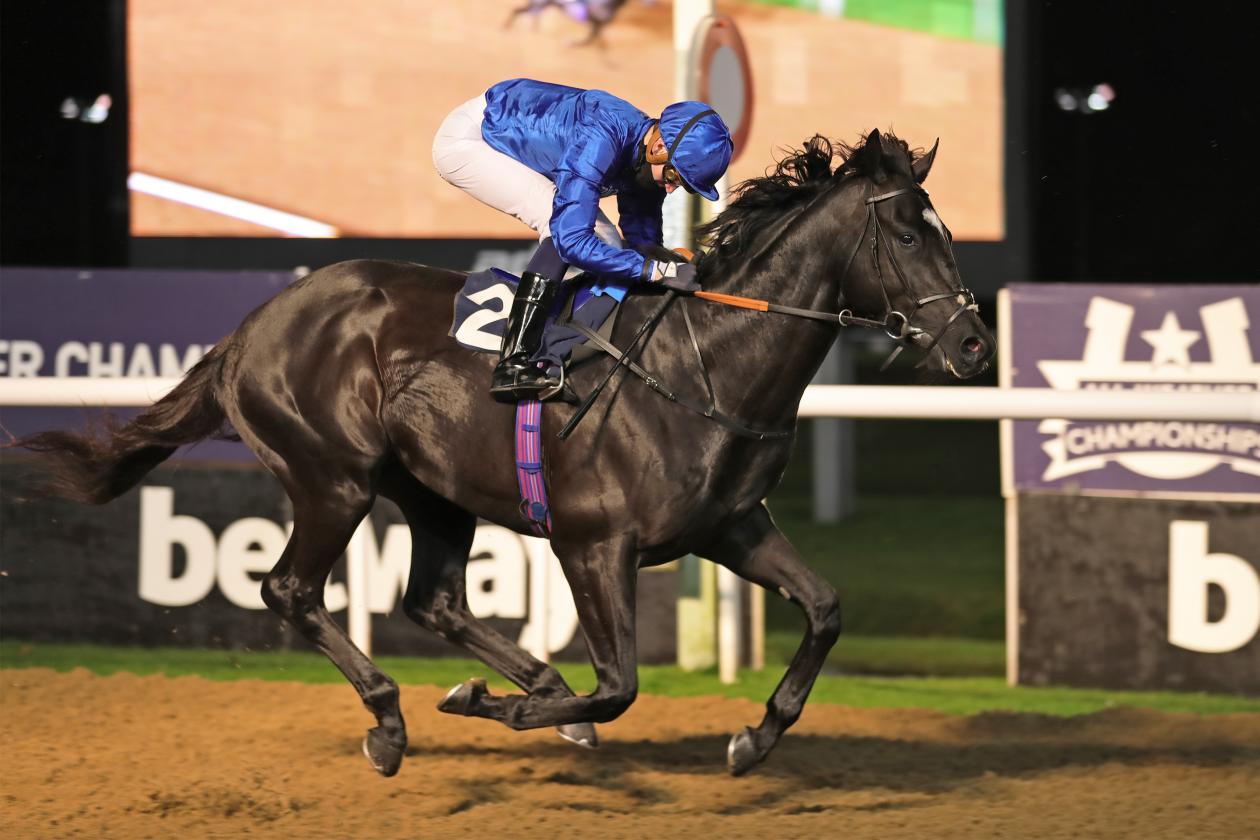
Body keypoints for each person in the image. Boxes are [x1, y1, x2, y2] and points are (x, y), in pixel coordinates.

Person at [432, 78, 733, 402]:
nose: (672, 189)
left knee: (612, 247)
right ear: (658, 148)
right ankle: (513, 363)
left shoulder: (648, 156)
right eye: (675, 177)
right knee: (559, 226)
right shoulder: (602, 135)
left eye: (683, 185)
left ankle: (563, 343)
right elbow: (570, 240)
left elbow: (640, 244)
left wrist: (669, 266)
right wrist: (657, 271)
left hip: (521, 145)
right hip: (471, 140)